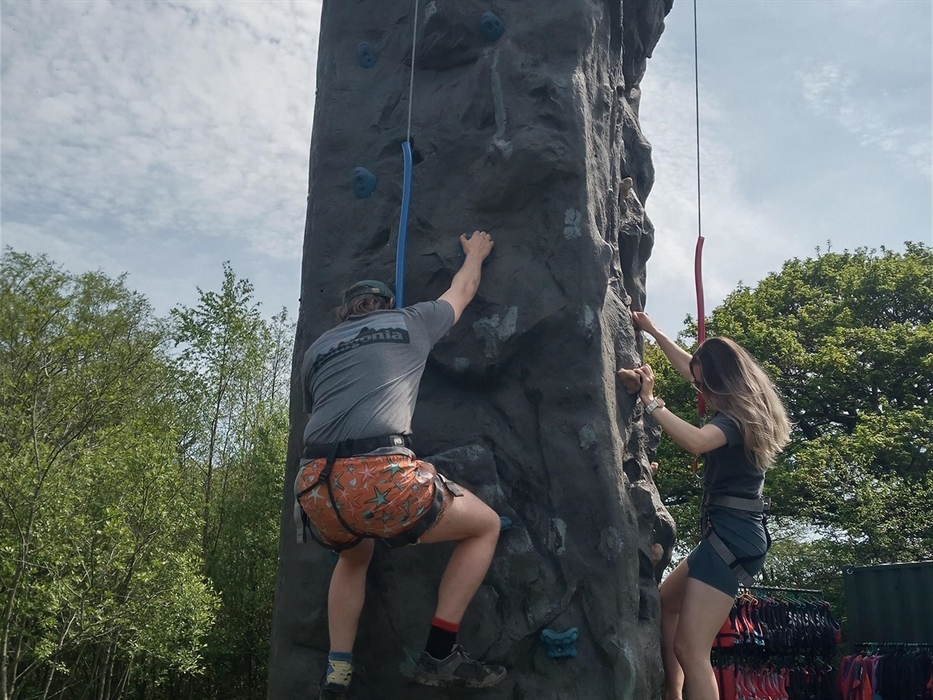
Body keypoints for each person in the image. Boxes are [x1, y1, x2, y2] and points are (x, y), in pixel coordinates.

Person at [296, 231, 506, 700]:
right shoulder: (411, 320)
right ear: (387, 303)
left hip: (317, 488)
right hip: (378, 478)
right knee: (485, 526)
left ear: (345, 313)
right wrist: (474, 254)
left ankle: (337, 675)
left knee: (353, 557)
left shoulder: (317, 351)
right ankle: (439, 653)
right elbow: (462, 291)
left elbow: (317, 420)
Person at [629, 310, 791, 700]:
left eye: (704, 385)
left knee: (692, 649)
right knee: (667, 602)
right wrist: (654, 331)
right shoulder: (745, 402)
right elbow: (691, 367)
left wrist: (650, 402)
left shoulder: (739, 419)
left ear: (720, 381)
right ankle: (675, 692)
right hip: (730, 535)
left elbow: (698, 442)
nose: (699, 390)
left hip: (732, 540)